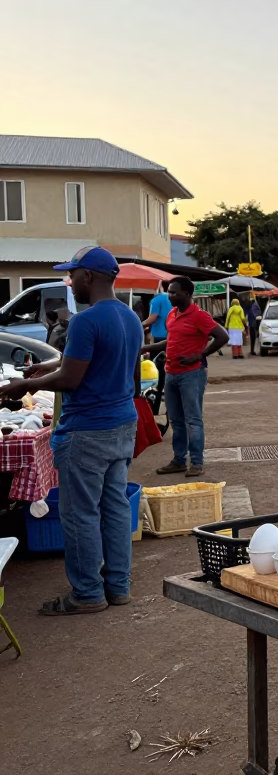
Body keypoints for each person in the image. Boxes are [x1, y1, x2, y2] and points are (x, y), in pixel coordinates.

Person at [2, 247, 143, 615]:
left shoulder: (85, 320)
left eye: (73, 274)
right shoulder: (128, 317)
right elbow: (91, 361)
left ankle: (87, 594)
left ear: (89, 277)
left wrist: (25, 386)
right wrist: (44, 367)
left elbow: (71, 377)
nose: (70, 282)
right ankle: (118, 587)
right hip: (122, 425)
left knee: (80, 514)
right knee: (113, 508)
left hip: (88, 431)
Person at [143, 276, 228, 478]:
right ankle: (179, 460)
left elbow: (222, 336)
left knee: (193, 420)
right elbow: (169, 342)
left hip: (192, 374)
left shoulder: (199, 316)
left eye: (174, 292)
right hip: (171, 372)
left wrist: (200, 355)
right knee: (176, 420)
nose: (170, 296)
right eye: (169, 292)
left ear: (187, 294)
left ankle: (196, 463)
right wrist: (144, 348)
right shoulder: (172, 314)